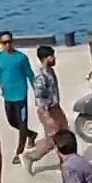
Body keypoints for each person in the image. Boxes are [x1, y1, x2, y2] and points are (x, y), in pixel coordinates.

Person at [21, 46, 69, 174]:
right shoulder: (40, 77)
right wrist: (47, 117)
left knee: (64, 136)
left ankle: (64, 164)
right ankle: (30, 157)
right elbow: (40, 100)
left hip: (56, 108)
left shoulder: (50, 71)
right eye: (52, 56)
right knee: (52, 142)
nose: (54, 58)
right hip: (48, 111)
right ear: (45, 58)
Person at [0, 30, 37, 160]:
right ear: (1, 43)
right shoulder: (0, 56)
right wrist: (0, 82)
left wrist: (36, 90)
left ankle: (20, 152)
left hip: (20, 95)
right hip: (8, 95)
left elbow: (30, 74)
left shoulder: (21, 57)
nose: (7, 45)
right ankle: (31, 134)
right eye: (4, 42)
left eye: (9, 42)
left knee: (22, 123)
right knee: (12, 121)